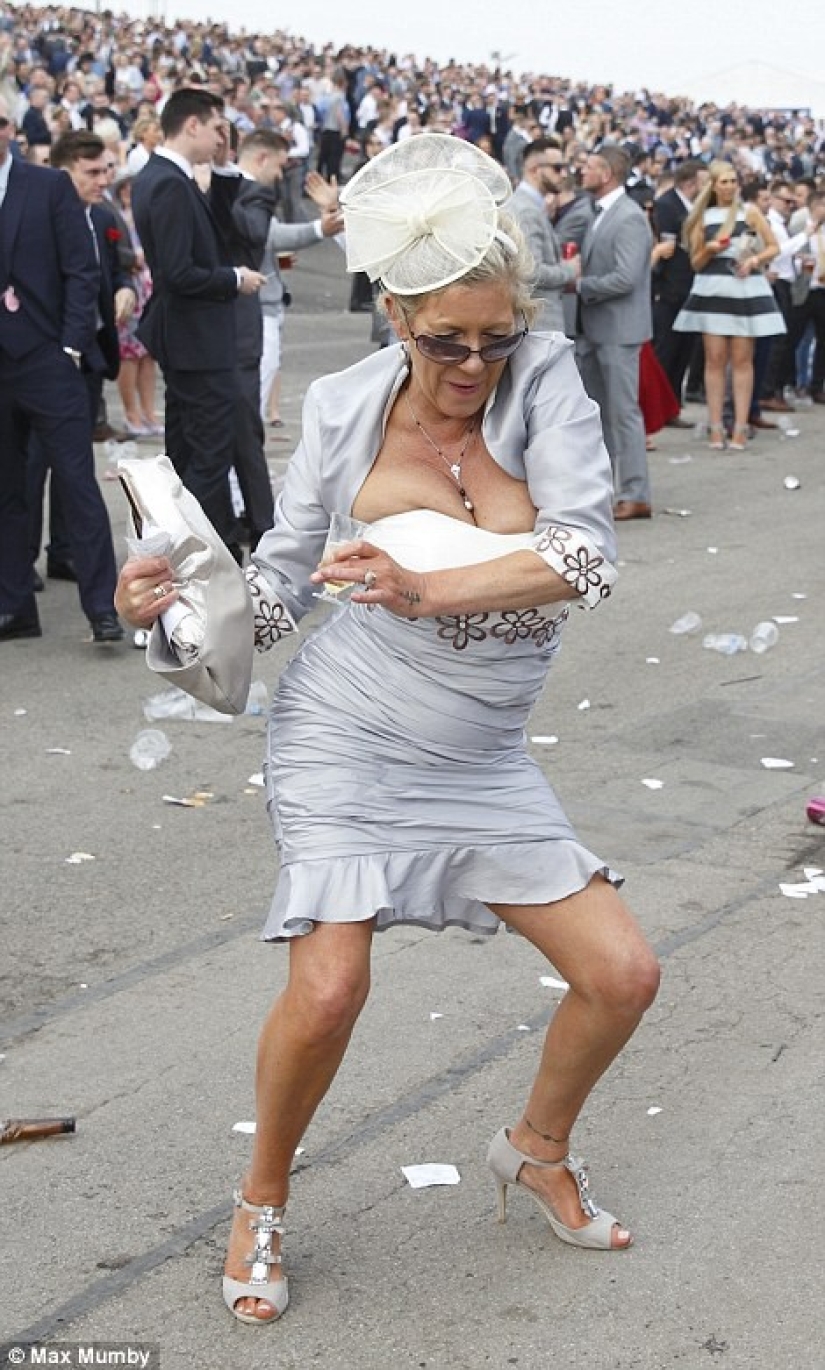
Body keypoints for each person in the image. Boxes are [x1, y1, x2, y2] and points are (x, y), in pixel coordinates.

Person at [115, 134, 659, 1326]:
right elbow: (279, 588)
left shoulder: (548, 378)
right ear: (397, 315)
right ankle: (260, 1200)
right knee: (328, 990)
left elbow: (585, 555)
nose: (473, 364)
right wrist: (179, 608)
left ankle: (536, 1147)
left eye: (496, 337)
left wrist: (427, 586)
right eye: (445, 339)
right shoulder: (344, 406)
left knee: (623, 975)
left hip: (481, 751)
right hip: (348, 729)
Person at [0, 96, 123, 644]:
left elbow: (81, 270)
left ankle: (103, 608)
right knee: (7, 490)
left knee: (77, 485)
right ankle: (14, 606)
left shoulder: (47, 185)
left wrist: (71, 347)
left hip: (48, 360)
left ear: (10, 128)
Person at [131, 88, 266, 552]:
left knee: (191, 449)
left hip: (191, 339)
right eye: (214, 128)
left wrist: (224, 167)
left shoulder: (169, 176)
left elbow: (213, 235)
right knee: (208, 454)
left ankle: (196, 549)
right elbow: (178, 272)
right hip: (196, 341)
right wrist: (234, 279)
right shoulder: (168, 182)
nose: (220, 138)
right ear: (192, 125)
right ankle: (207, 555)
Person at [673, 161, 783, 451]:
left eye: (733, 181)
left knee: (743, 360)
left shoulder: (751, 212)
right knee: (714, 359)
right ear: (713, 185)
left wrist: (754, 260)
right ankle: (715, 426)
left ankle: (740, 427)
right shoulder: (702, 216)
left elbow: (773, 246)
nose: (730, 186)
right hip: (712, 290)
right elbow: (696, 263)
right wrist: (710, 249)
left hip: (745, 290)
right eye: (724, 181)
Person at [574, 144, 653, 521]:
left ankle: (636, 493)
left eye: (588, 166)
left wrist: (580, 285)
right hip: (596, 329)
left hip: (619, 331)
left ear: (606, 174)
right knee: (600, 417)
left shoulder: (629, 217)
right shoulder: (598, 212)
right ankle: (604, 491)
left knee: (623, 415)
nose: (581, 171)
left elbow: (626, 277)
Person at [650, 159, 707, 420]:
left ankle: (673, 407)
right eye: (703, 182)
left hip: (690, 289)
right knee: (666, 351)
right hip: (670, 290)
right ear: (690, 182)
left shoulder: (696, 207)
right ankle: (658, 409)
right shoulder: (667, 205)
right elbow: (666, 250)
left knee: (684, 351)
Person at [505, 139, 579, 333]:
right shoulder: (527, 211)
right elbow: (531, 271)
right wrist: (569, 270)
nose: (564, 174)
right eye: (557, 168)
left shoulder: (529, 206)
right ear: (535, 170)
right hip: (539, 324)